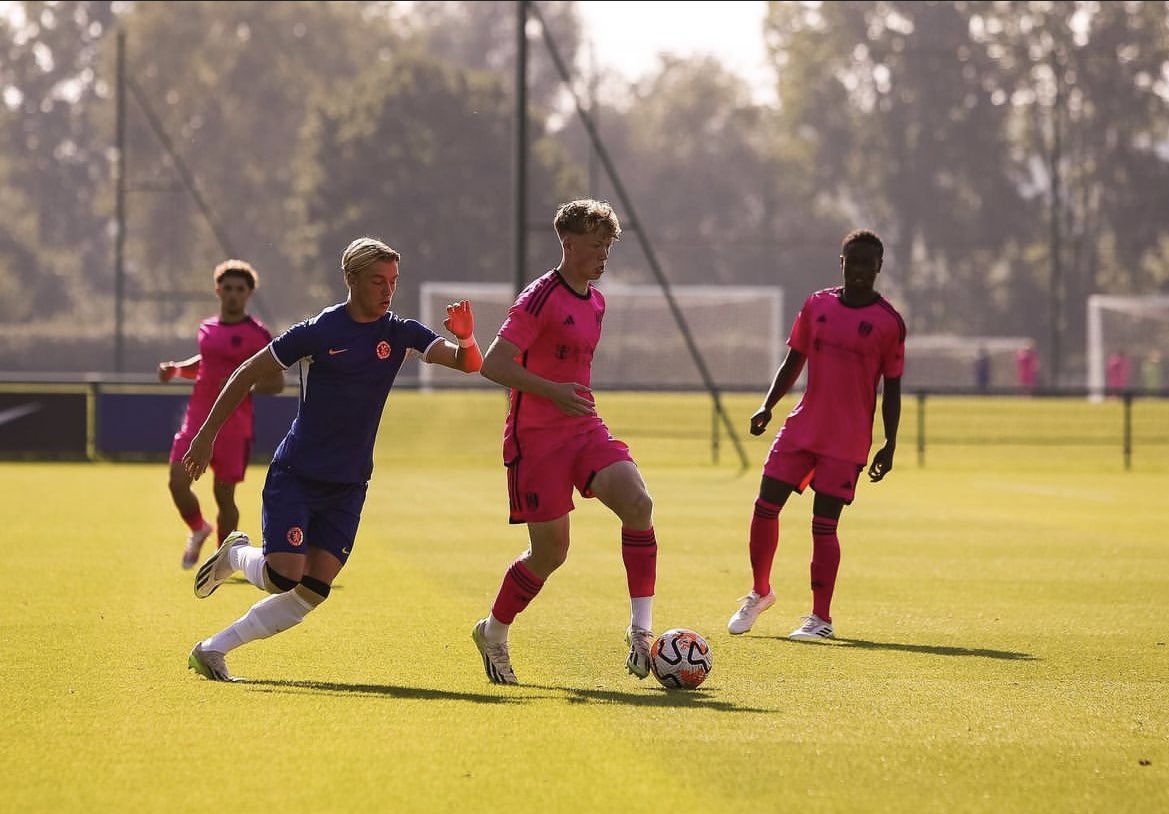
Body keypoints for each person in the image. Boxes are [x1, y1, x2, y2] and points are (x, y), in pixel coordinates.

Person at [182, 237, 482, 682]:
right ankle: (238, 554)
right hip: (298, 474)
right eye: (378, 281)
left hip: (349, 483)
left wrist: (466, 336)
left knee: (314, 589)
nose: (387, 291)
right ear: (352, 279)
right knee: (285, 575)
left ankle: (212, 650)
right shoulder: (320, 331)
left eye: (393, 282)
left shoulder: (399, 332)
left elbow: (467, 364)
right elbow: (246, 372)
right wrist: (206, 435)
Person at [470, 199, 658, 685]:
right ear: (568, 243)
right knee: (551, 553)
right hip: (536, 441)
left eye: (608, 246)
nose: (603, 255)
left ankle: (642, 634)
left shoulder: (596, 302)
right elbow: (493, 364)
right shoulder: (539, 297)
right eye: (596, 245)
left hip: (584, 429)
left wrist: (570, 400)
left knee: (638, 503)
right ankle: (493, 632)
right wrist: (553, 391)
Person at [726, 229, 904, 642]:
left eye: (868, 264)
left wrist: (890, 442)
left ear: (878, 267)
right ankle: (760, 592)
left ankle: (820, 619)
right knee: (764, 505)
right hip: (802, 426)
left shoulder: (889, 324)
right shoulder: (817, 305)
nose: (860, 270)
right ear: (841, 263)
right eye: (852, 262)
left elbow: (892, 388)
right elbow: (794, 359)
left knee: (823, 526)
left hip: (847, 439)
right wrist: (768, 405)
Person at [158, 260, 283, 570]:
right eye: (227, 288)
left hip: (234, 427)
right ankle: (198, 528)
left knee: (223, 496)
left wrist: (244, 385)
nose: (232, 295)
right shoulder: (207, 328)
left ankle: (221, 560)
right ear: (218, 290)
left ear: (248, 294)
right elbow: (206, 363)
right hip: (197, 420)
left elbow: (276, 381)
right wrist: (176, 369)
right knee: (177, 482)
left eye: (240, 289)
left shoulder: (257, 334)